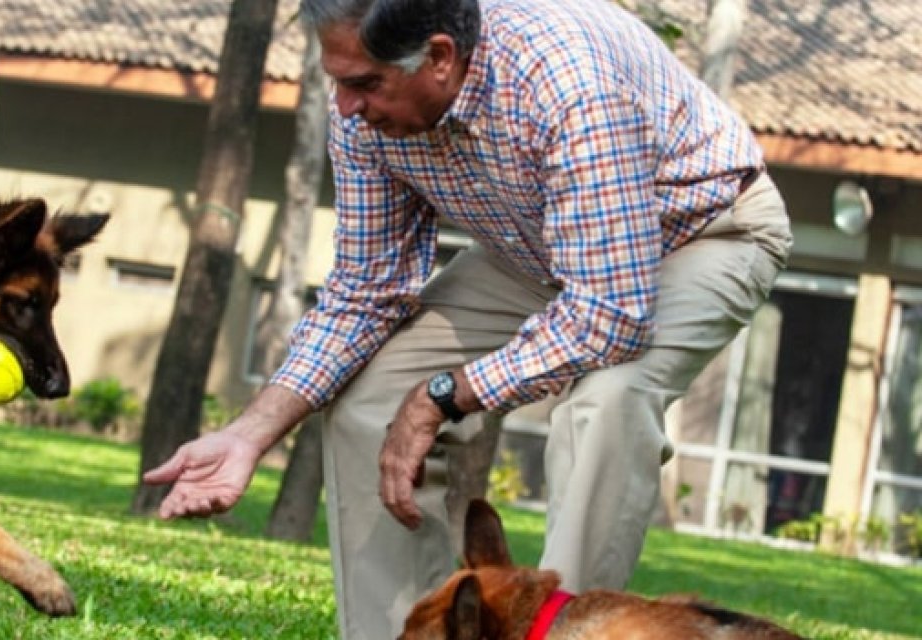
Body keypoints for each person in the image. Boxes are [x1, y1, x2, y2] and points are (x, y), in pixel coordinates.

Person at [143, 0, 792, 637]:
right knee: (370, 400)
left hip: (698, 234)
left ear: (440, 57)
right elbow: (365, 291)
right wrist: (250, 435)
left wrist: (439, 398)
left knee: (608, 398)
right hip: (532, 251)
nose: (345, 106)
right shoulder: (364, 114)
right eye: (337, 83)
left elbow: (606, 316)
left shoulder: (569, 81)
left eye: (365, 83)